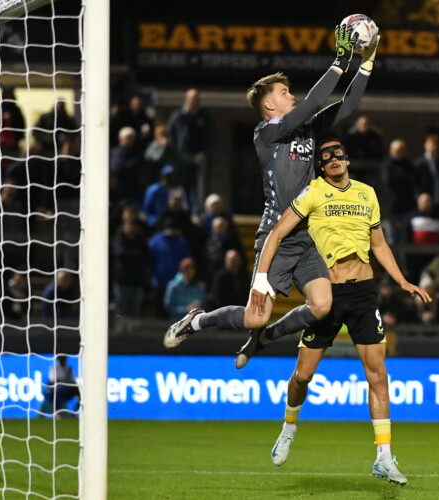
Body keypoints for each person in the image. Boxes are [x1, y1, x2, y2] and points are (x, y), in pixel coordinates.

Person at [163, 26, 380, 366]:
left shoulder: (308, 127)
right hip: (276, 237)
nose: (292, 96)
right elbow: (312, 103)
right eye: (284, 92)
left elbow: (349, 104)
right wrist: (340, 61)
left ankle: (264, 338)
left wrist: (366, 62)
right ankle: (198, 320)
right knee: (255, 317)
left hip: (308, 236)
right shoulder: (265, 133)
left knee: (322, 306)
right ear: (268, 104)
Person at [249, 137, 431, 483]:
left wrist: (402, 280)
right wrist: (261, 278)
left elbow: (379, 243)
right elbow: (277, 232)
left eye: (338, 154)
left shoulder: (367, 194)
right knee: (303, 376)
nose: (333, 159)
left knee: (378, 374)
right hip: (327, 295)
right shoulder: (313, 192)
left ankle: (384, 456)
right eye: (326, 157)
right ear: (320, 166)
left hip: (363, 294)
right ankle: (289, 427)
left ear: (347, 160)